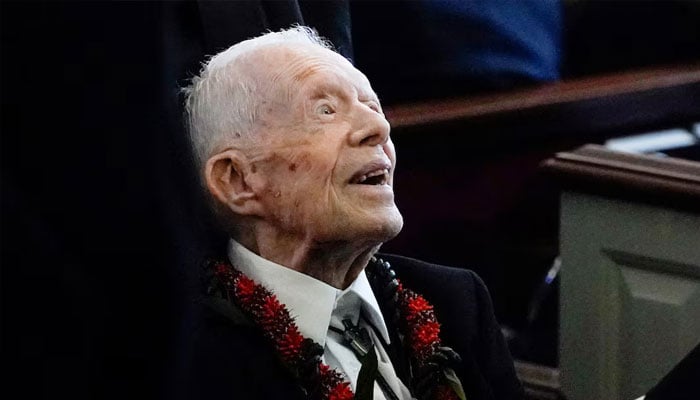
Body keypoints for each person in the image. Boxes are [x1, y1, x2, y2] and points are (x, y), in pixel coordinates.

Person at [175, 26, 523, 400]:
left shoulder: (456, 302)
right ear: (237, 180)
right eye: (325, 111)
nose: (378, 127)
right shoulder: (187, 359)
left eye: (373, 107)